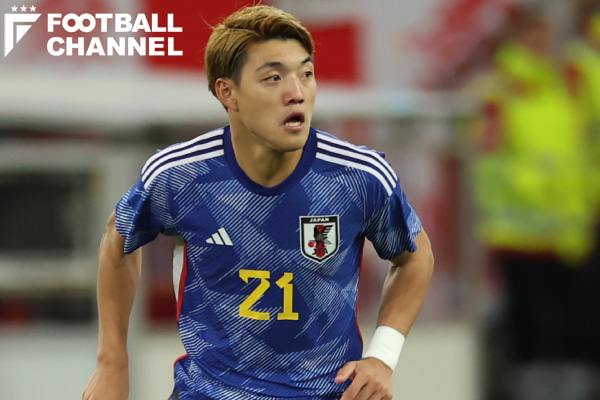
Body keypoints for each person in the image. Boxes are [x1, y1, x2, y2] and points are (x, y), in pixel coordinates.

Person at [82, 5, 434, 400]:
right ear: (227, 93)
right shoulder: (181, 175)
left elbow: (415, 257)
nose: (296, 92)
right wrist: (112, 362)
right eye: (273, 78)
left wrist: (383, 356)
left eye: (306, 74)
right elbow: (118, 238)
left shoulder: (359, 176)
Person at [472, 10, 598, 400]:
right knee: (528, 320)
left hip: (568, 229)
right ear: (516, 40)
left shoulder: (566, 83)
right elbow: (489, 155)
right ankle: (529, 387)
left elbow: (578, 151)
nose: (542, 48)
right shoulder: (498, 89)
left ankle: (575, 386)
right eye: (534, 39)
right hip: (520, 231)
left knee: (576, 318)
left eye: (546, 39)